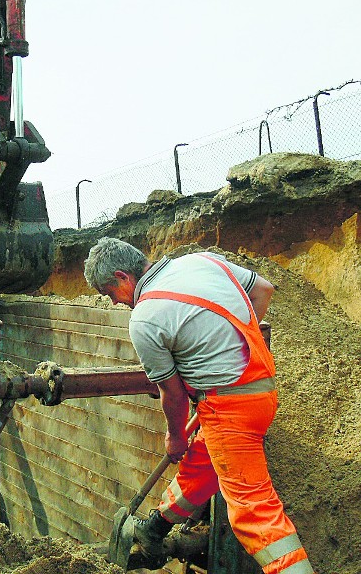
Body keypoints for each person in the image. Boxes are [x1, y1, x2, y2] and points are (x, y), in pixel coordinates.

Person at [83, 237, 313, 574]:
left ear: (122, 278)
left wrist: (174, 437)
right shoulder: (201, 261)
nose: (115, 302)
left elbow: (172, 394)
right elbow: (263, 289)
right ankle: (156, 528)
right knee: (201, 461)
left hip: (229, 409)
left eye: (109, 293)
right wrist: (228, 348)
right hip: (260, 394)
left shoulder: (145, 318)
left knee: (253, 511)